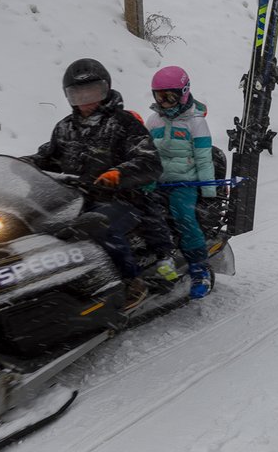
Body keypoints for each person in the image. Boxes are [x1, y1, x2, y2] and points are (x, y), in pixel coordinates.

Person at [25, 58, 175, 307]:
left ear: (105, 90)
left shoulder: (124, 123)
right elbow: (48, 157)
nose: (86, 100)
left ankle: (129, 280)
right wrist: (23, 163)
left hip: (121, 199)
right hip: (73, 198)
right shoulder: (65, 128)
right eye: (77, 93)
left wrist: (119, 174)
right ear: (68, 96)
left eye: (92, 91)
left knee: (97, 224)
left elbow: (149, 161)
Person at [145, 66, 216, 299]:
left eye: (170, 97)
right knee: (143, 214)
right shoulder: (154, 121)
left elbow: (204, 159)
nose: (164, 102)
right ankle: (156, 260)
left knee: (184, 217)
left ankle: (199, 267)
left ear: (184, 93)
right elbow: (145, 154)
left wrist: (208, 192)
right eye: (159, 96)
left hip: (185, 183)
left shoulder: (195, 122)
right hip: (157, 182)